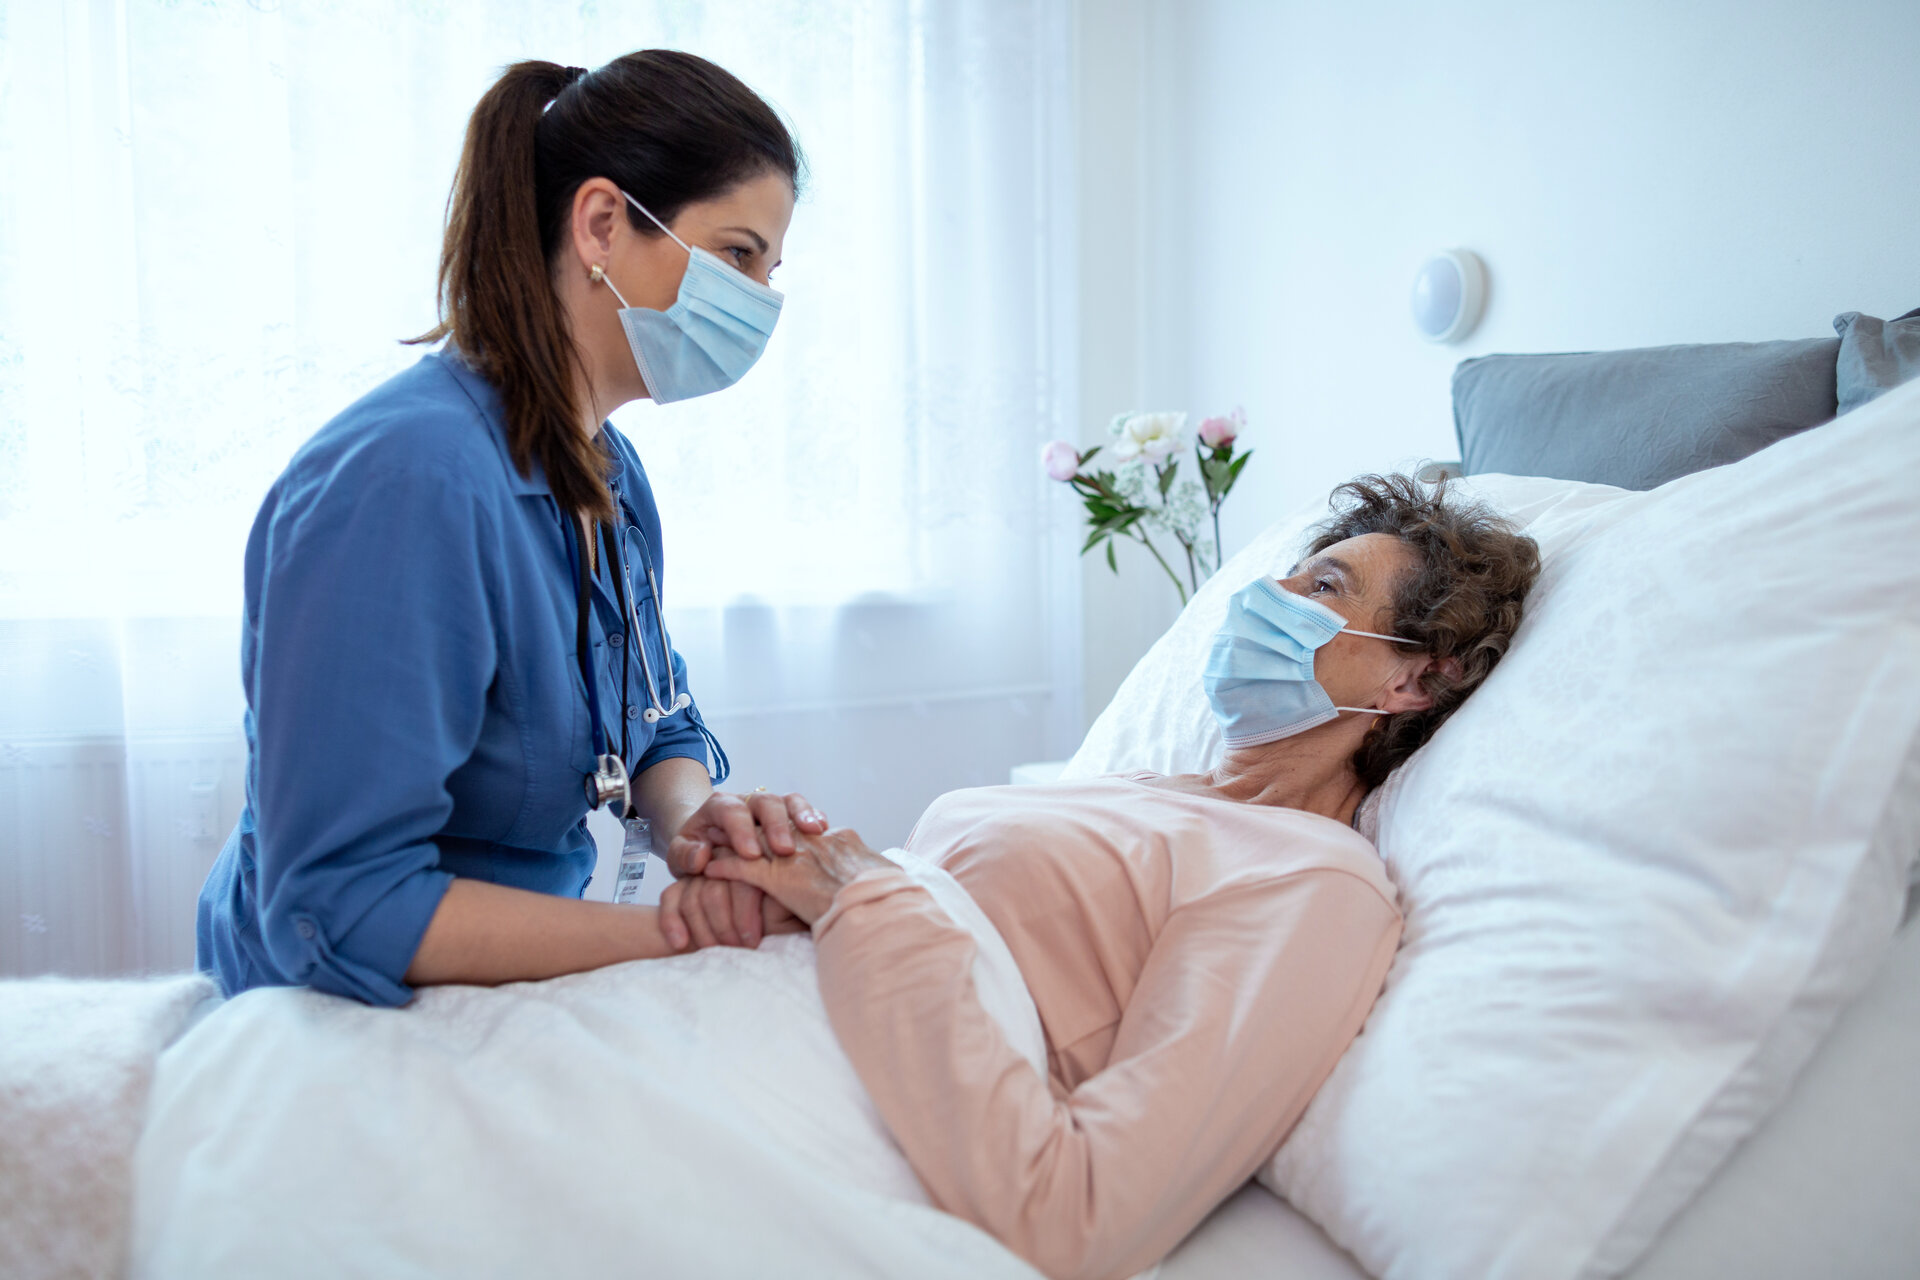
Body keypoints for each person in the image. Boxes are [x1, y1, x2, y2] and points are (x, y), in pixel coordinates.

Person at [680, 474, 1543, 1280]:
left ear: (1412, 679)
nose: (1264, 597)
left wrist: (857, 896)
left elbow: (1078, 1219)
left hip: (797, 1125)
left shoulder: (1313, 881)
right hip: (737, 1031)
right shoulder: (1135, 789)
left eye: (1323, 588)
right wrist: (779, 881)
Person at [196, 52, 824, 1007]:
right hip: (342, 1010)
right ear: (602, 224)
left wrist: (696, 824)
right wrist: (681, 936)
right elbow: (339, 907)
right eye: (738, 256)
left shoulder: (606, 471)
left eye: (771, 271)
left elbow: (654, 716)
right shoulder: (407, 482)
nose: (760, 303)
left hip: (508, 988)